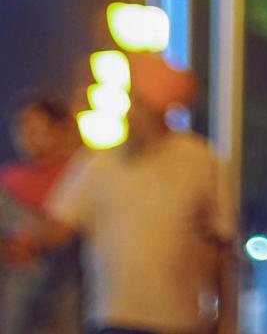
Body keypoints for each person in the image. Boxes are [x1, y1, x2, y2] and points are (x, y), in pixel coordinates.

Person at [32, 57, 233, 334]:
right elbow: (55, 229)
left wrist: (227, 321)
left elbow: (221, 249)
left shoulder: (201, 163)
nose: (131, 113)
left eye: (139, 103)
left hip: (181, 323)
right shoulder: (98, 164)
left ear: (161, 110)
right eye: (131, 101)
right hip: (111, 320)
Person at [0, 96, 81, 334]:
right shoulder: (9, 178)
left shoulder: (77, 175)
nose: (28, 137)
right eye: (22, 129)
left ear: (60, 130)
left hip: (65, 290)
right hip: (13, 290)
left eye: (36, 129)